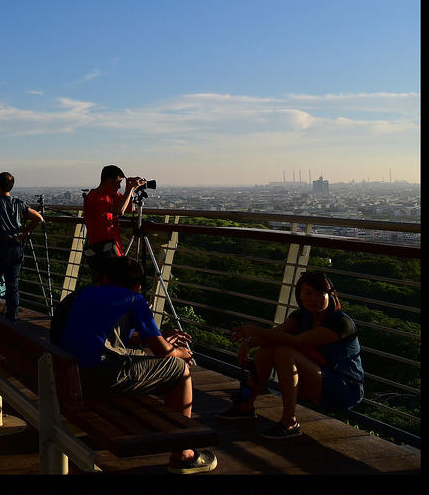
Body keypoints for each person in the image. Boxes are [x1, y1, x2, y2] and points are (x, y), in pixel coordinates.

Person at [51, 256, 215, 474]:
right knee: (179, 368)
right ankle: (182, 453)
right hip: (99, 376)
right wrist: (179, 352)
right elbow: (161, 351)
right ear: (137, 286)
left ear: (107, 278)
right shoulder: (133, 298)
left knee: (138, 357)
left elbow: (102, 333)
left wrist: (157, 336)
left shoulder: (85, 293)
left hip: (70, 376)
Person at [217, 271, 364, 439]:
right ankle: (245, 406)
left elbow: (298, 342)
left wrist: (254, 330)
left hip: (343, 388)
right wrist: (249, 343)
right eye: (307, 293)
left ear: (331, 295)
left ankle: (290, 422)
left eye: (320, 294)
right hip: (317, 380)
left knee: (286, 352)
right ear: (299, 295)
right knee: (269, 347)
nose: (313, 298)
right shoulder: (302, 316)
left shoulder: (340, 322)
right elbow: (275, 334)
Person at [0, 171, 43, 321]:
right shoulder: (19, 203)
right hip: (16, 248)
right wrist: (23, 231)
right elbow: (39, 218)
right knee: (13, 285)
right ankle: (13, 320)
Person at [82, 165, 147, 283]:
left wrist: (130, 189)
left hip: (115, 248)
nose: (119, 186)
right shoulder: (94, 197)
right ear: (110, 182)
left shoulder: (112, 195)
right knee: (104, 284)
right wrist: (129, 190)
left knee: (118, 283)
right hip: (101, 252)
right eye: (119, 182)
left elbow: (129, 208)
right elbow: (119, 210)